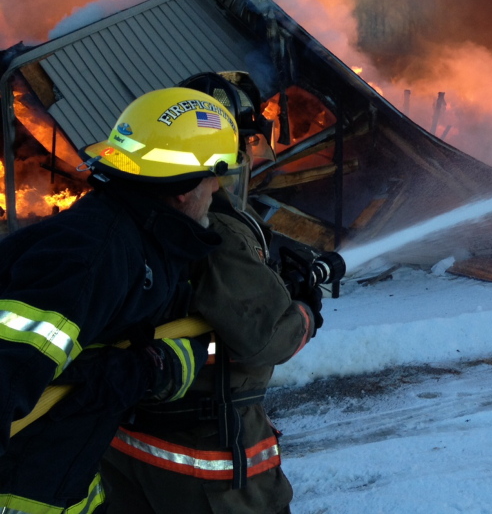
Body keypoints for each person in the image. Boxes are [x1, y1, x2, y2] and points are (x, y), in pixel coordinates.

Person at [101, 72, 340, 514]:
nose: (230, 171)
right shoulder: (215, 232)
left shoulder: (125, 214)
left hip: (129, 448)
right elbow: (268, 339)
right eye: (236, 151)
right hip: (208, 465)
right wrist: (305, 309)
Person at [0, 86, 243, 513]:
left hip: (67, 480)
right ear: (185, 188)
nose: (216, 190)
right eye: (214, 177)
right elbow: (9, 369)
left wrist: (153, 367)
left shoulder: (150, 243)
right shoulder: (93, 256)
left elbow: (172, 336)